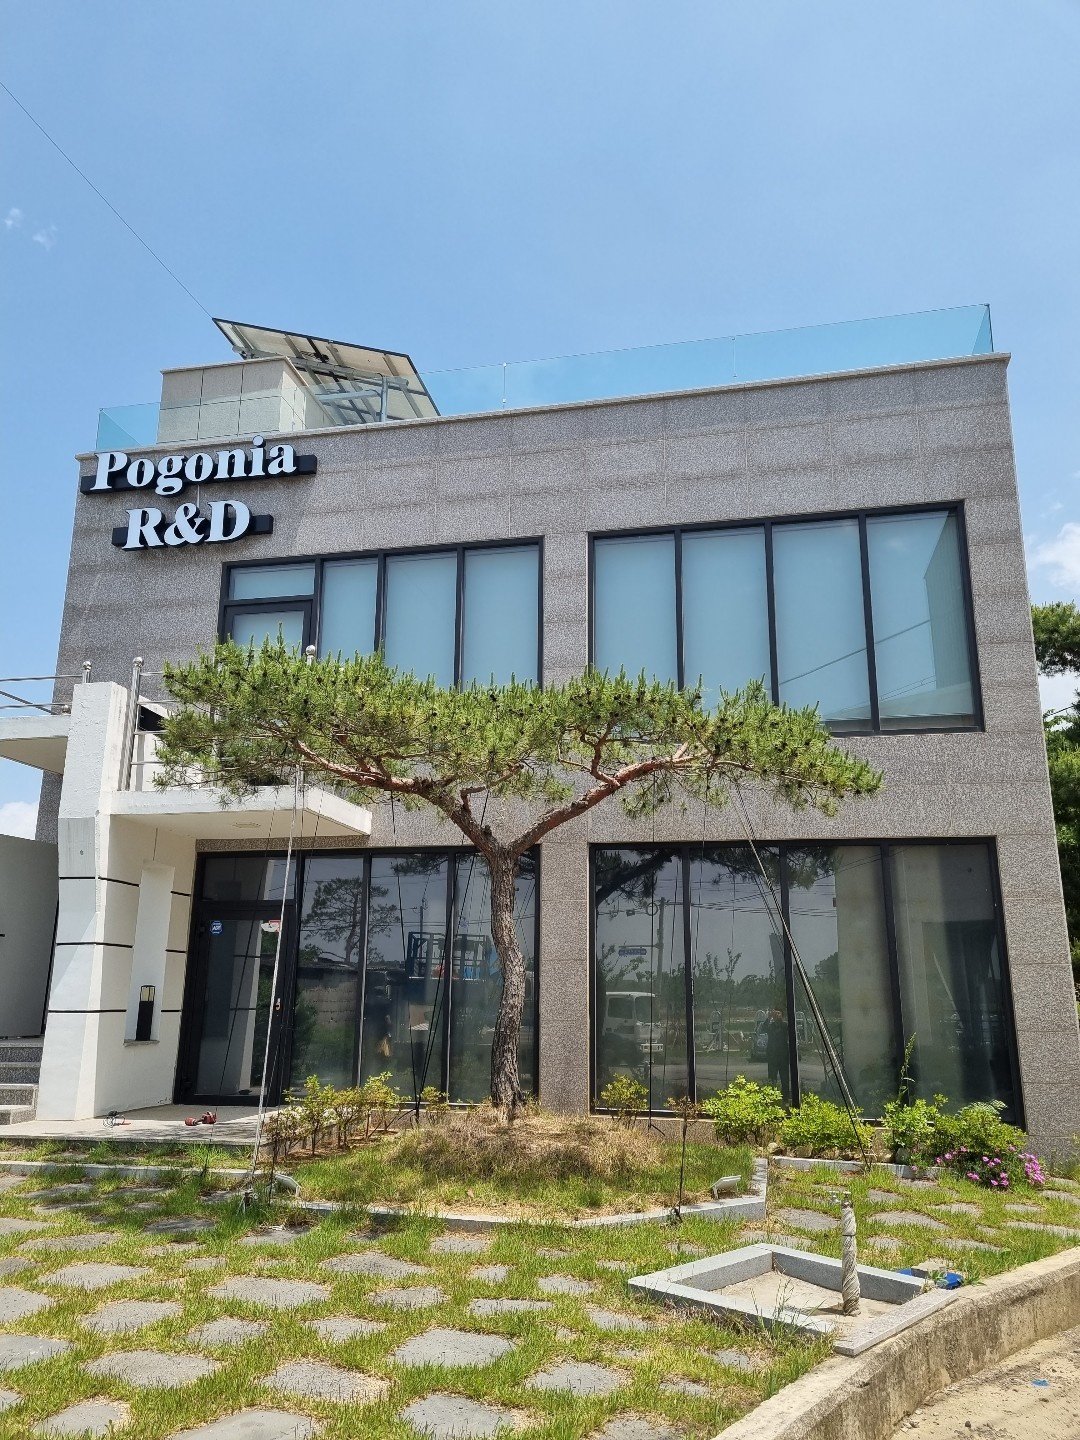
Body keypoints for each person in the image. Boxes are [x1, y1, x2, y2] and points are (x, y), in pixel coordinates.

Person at [765, 1006, 790, 1103]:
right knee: (772, 1078)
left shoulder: (785, 1026)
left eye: (778, 1013)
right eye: (775, 1013)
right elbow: (763, 1029)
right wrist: (769, 1017)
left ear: (782, 1015)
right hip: (772, 1057)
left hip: (783, 1057)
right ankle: (772, 1098)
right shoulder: (770, 1026)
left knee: (785, 1079)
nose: (776, 1015)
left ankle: (785, 1098)